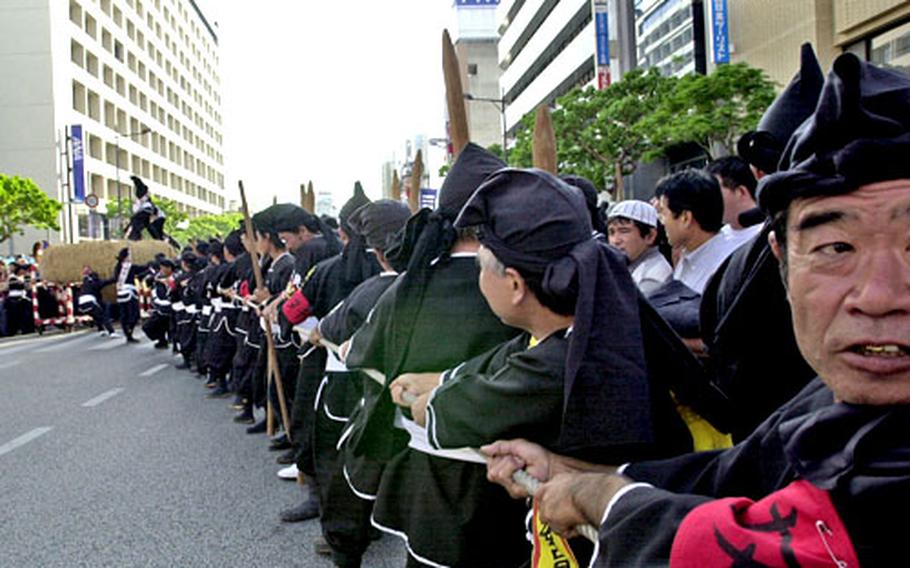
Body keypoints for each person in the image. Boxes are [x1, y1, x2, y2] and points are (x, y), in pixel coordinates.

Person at [485, 52, 910, 566]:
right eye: (836, 248)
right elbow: (732, 475)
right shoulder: (828, 398)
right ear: (780, 259)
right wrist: (566, 470)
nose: (880, 295)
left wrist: (594, 497)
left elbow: (746, 546)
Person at [655, 170, 741, 294]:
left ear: (685, 218)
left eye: (663, 212)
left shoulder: (727, 267)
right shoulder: (687, 256)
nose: (661, 221)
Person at [606, 200, 672, 295]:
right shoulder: (630, 265)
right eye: (611, 232)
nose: (616, 240)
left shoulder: (652, 278)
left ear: (650, 236)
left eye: (624, 231)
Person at [705, 156, 763, 249]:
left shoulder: (768, 233)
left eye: (715, 191)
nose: (709, 200)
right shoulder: (714, 241)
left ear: (740, 191)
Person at [111, 247, 151, 343]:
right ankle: (130, 330)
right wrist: (149, 266)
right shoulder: (129, 267)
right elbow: (141, 269)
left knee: (124, 314)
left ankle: (127, 334)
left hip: (120, 292)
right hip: (129, 292)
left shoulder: (117, 267)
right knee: (134, 314)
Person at [141, 259, 176, 348]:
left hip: (172, 307)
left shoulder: (175, 277)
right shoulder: (157, 277)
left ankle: (174, 344)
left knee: (171, 327)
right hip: (159, 307)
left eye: (163, 268)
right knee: (151, 326)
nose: (161, 271)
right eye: (160, 268)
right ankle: (162, 340)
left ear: (169, 268)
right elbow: (148, 281)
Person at [78, 265, 115, 336]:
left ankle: (101, 330)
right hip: (89, 301)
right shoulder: (97, 282)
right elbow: (108, 281)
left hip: (81, 303)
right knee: (103, 315)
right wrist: (116, 277)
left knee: (96, 315)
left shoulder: (85, 281)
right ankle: (111, 332)